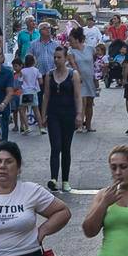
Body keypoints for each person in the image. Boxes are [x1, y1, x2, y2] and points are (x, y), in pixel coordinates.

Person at [41, 44, 86, 191]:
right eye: (54, 57)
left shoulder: (73, 74)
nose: (56, 60)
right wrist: (43, 116)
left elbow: (78, 96)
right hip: (54, 114)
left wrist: (79, 115)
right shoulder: (49, 75)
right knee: (56, 146)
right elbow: (46, 96)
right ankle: (53, 178)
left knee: (66, 148)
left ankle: (65, 180)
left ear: (66, 58)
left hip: (69, 114)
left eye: (59, 57)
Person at [69, 26, 99, 132]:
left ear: (77, 40)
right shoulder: (71, 51)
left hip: (89, 78)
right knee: (81, 101)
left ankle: (89, 125)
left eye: (71, 40)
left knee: (90, 102)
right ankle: (80, 125)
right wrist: (78, 75)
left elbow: (95, 59)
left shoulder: (90, 48)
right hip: (79, 80)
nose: (70, 43)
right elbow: (73, 64)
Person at [17, 55, 43, 132]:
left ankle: (27, 127)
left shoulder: (23, 71)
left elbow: (20, 81)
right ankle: (41, 128)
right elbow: (41, 81)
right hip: (33, 92)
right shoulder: (36, 70)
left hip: (25, 92)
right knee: (36, 110)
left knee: (22, 110)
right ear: (33, 62)